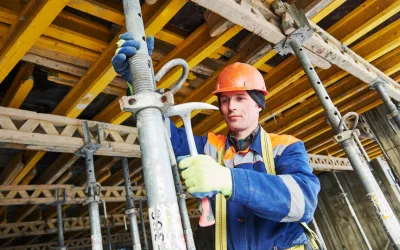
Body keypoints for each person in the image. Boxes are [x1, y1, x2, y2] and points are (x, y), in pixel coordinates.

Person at [112, 32, 321, 250]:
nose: (231, 107)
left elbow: (303, 202)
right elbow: (162, 137)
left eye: (240, 98)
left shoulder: (286, 146)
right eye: (225, 100)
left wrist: (228, 180)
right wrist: (139, 83)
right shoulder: (208, 148)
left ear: (259, 104)